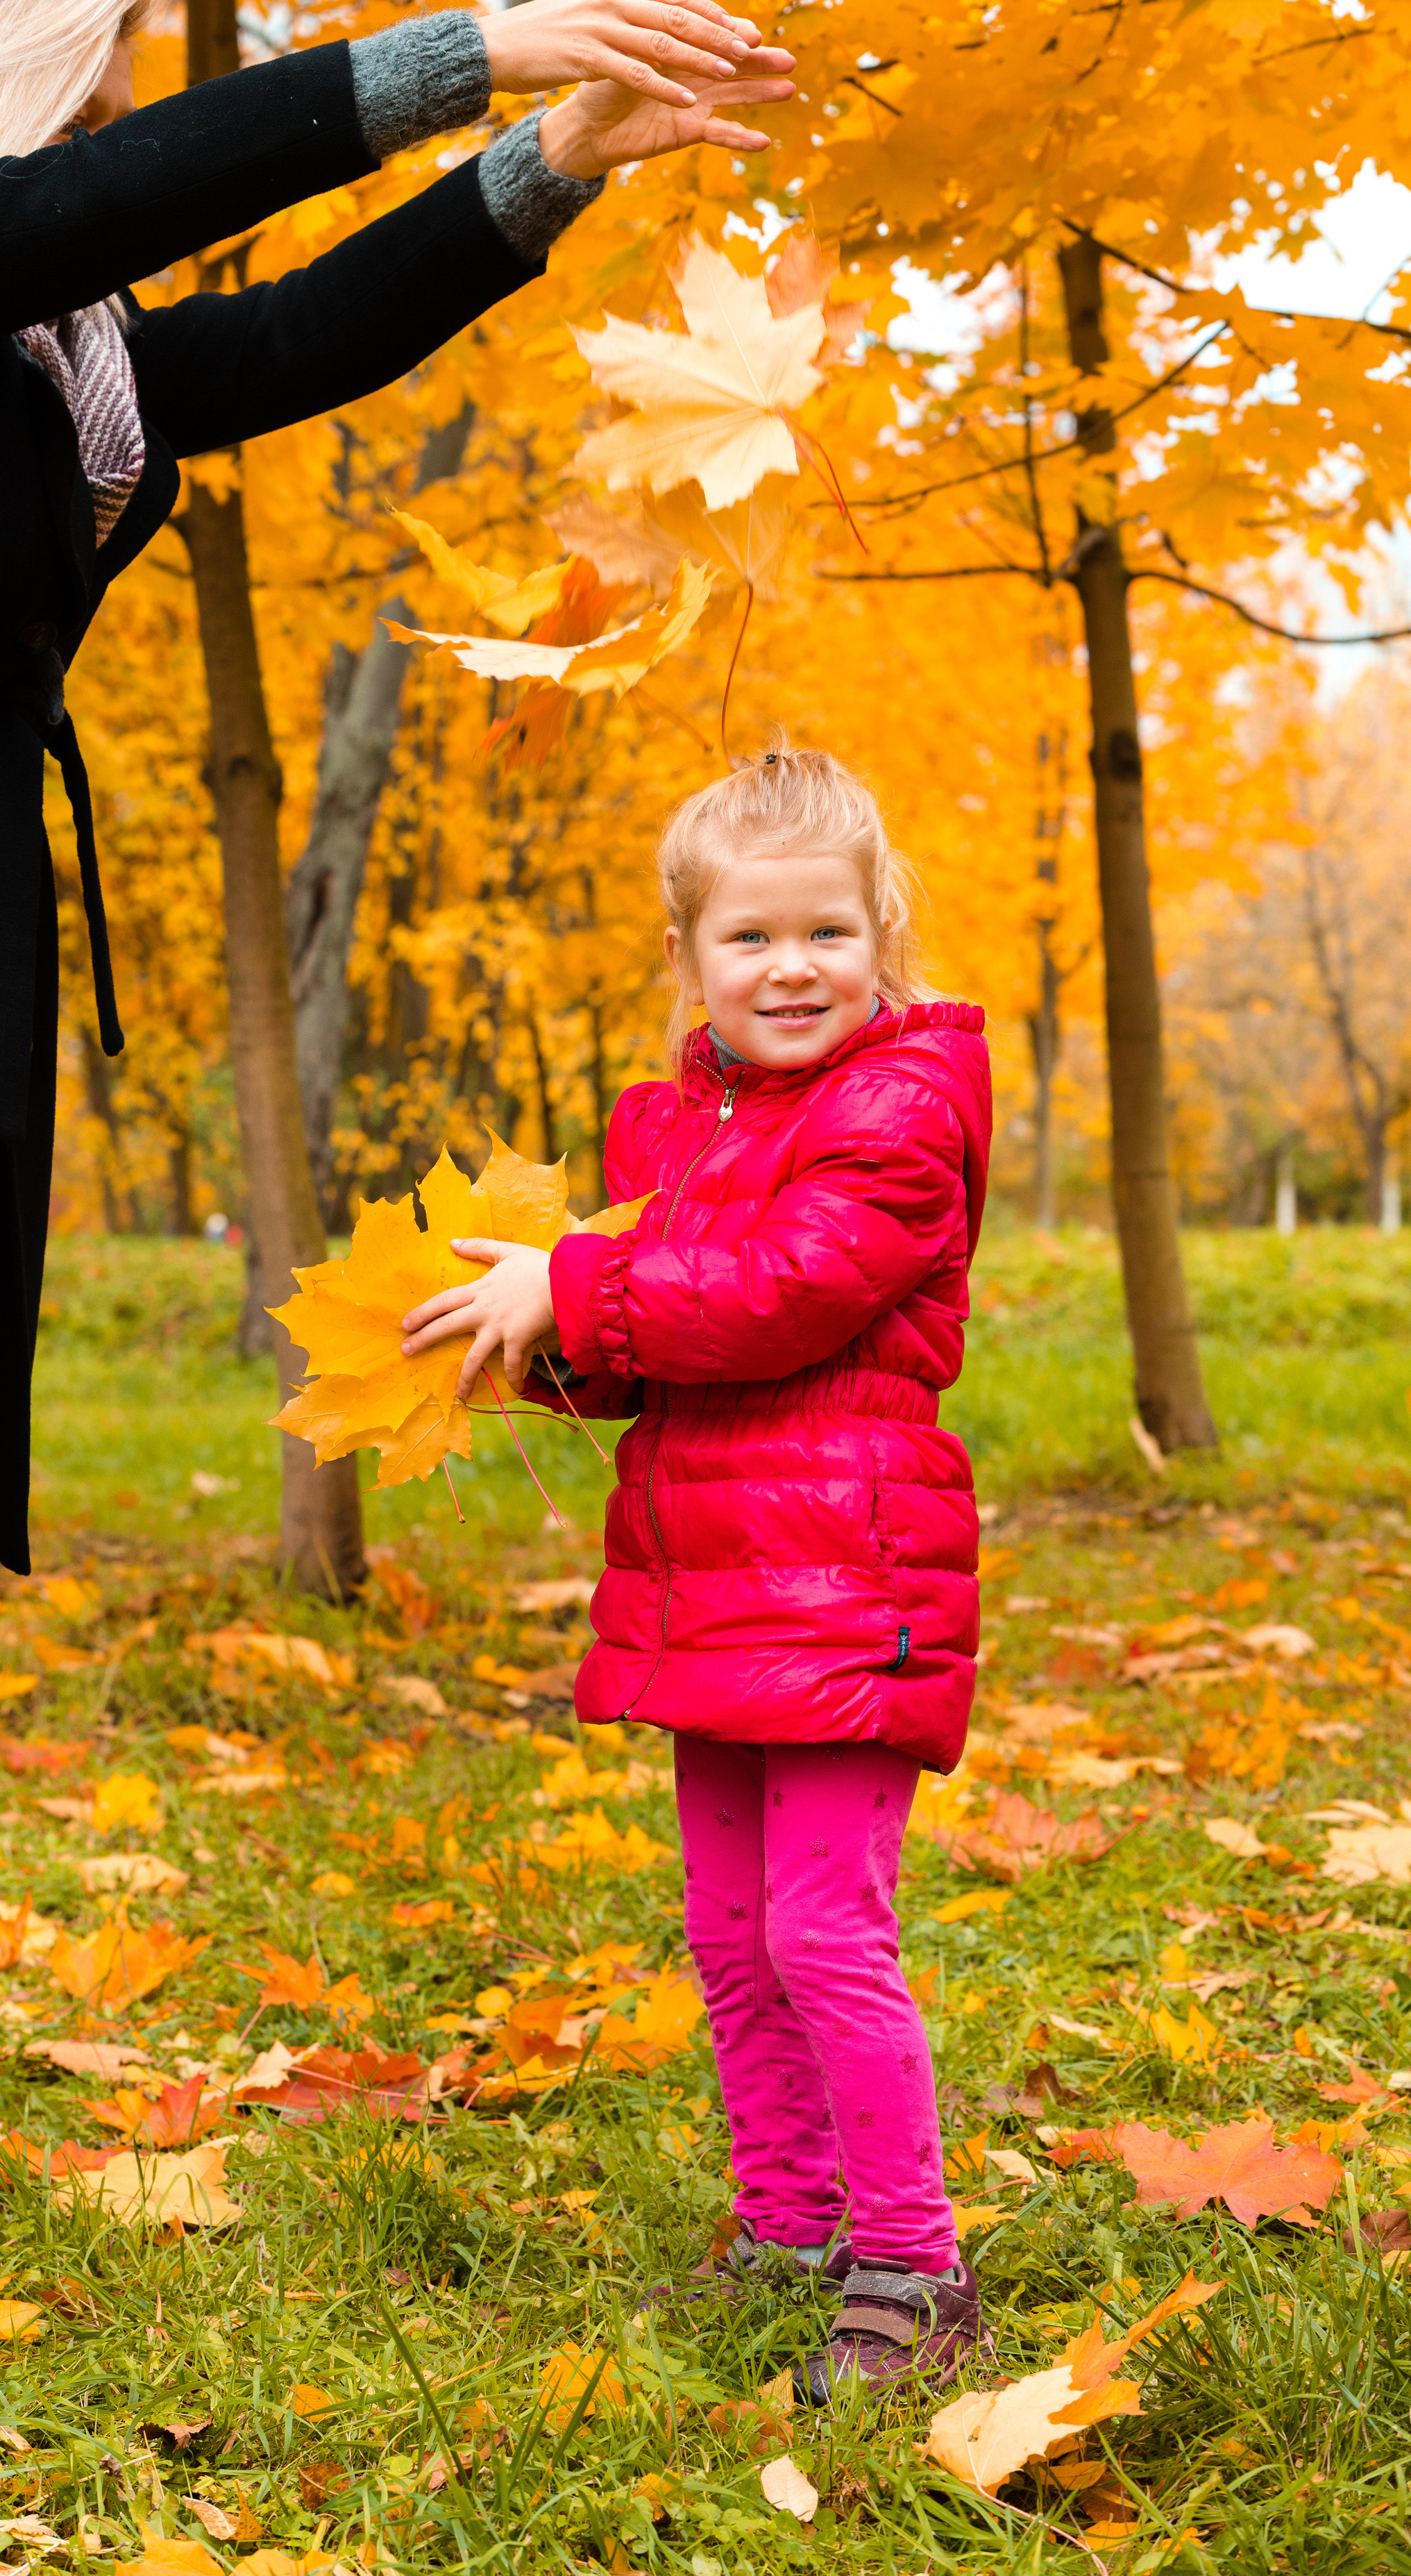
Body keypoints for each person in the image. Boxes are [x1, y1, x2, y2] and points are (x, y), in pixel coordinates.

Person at [0, 0, 794, 2280]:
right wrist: (454, 56)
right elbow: (60, 223)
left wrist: (548, 164)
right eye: (77, 97)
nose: (90, 141)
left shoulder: (50, 368)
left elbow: (280, 338)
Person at [400, 747, 995, 2399]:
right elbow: (672, 1337)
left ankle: (911, 2262)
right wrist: (544, 1348)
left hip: (841, 1559)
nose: (789, 967)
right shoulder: (665, 1125)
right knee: (729, 1933)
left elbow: (787, 1290)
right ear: (686, 957)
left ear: (882, 936)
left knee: (822, 1930)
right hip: (704, 1560)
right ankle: (788, 2223)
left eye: (824, 931)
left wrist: (582, 1289)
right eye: (748, 938)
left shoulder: (901, 1110)